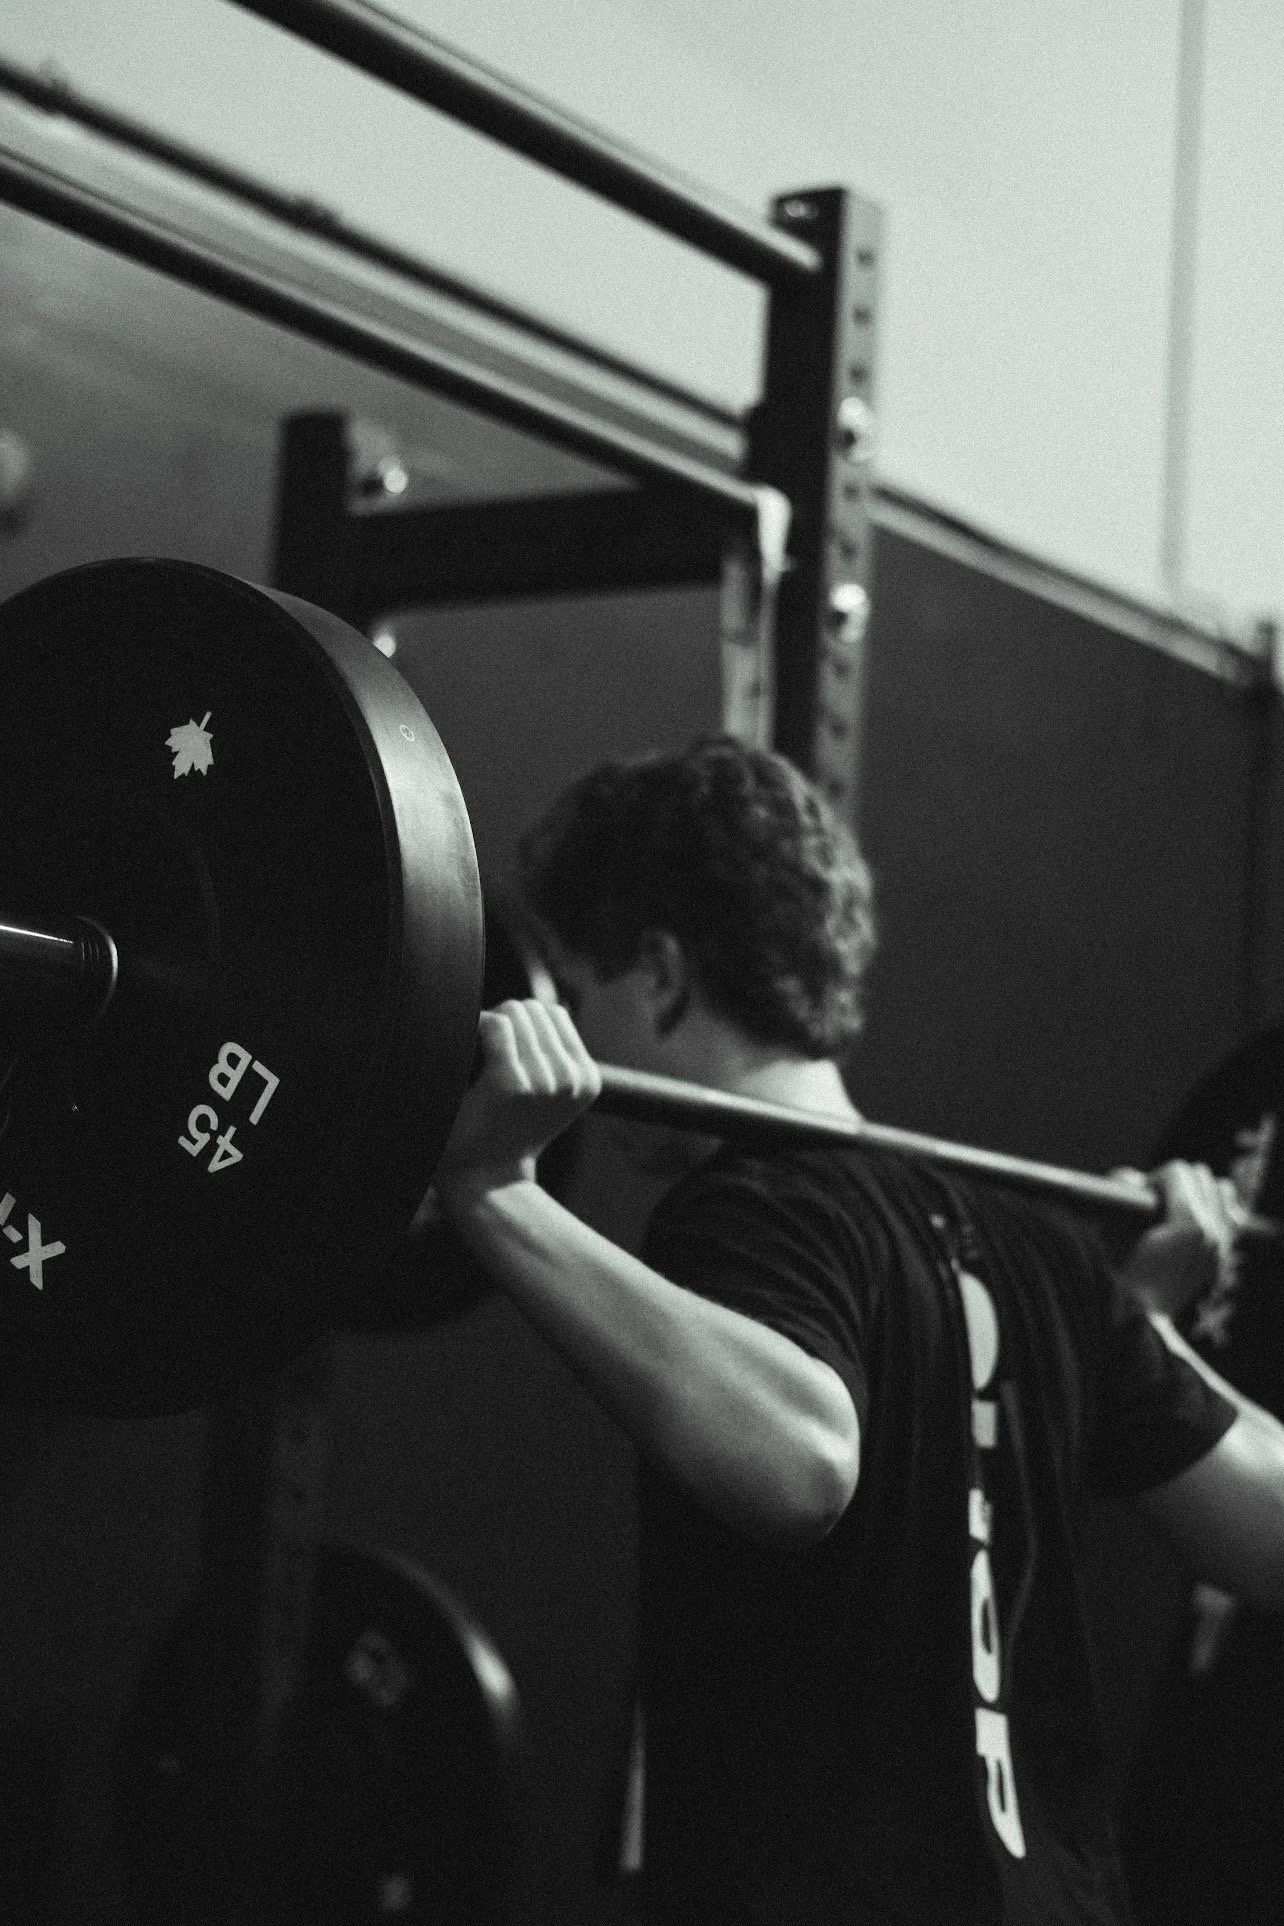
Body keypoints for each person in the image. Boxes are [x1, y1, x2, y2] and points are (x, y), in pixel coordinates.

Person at [429, 736, 1284, 1925]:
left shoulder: (750, 1209)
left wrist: (497, 1199)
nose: (565, 1023)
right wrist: (1139, 1333)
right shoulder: (1038, 1256)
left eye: (578, 987)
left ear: (666, 976)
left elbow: (801, 1461)